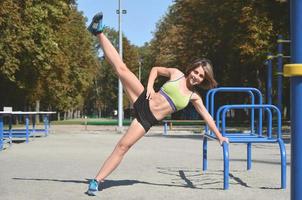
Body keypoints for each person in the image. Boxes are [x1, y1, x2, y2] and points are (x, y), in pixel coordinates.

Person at [86, 12, 229, 196]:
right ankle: (98, 32)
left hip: (146, 119)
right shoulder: (176, 74)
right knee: (121, 69)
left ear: (204, 79)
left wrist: (219, 136)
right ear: (191, 69)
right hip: (144, 97)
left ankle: (97, 180)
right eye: (195, 71)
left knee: (123, 146)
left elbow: (207, 116)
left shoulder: (194, 97)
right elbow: (155, 70)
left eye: (201, 75)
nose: (196, 76)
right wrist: (151, 87)